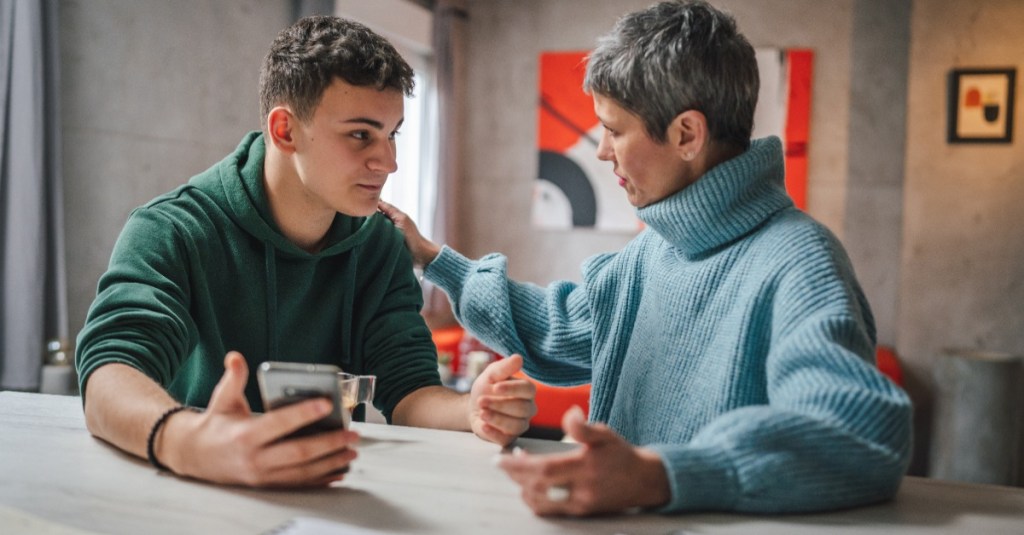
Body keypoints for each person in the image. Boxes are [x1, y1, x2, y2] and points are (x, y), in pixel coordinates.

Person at [378, 0, 912, 516]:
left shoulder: (801, 263)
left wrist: (659, 475)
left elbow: (855, 435)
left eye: (612, 129)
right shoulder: (651, 252)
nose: (602, 151)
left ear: (686, 134)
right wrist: (433, 257)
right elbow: (558, 329)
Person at [74, 15, 536, 489]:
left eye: (392, 133)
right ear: (285, 131)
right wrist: (188, 441)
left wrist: (473, 408)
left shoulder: (380, 243)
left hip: (328, 498)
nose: (389, 162)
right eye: (361, 134)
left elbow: (411, 391)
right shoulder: (171, 229)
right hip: (187, 490)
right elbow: (109, 373)